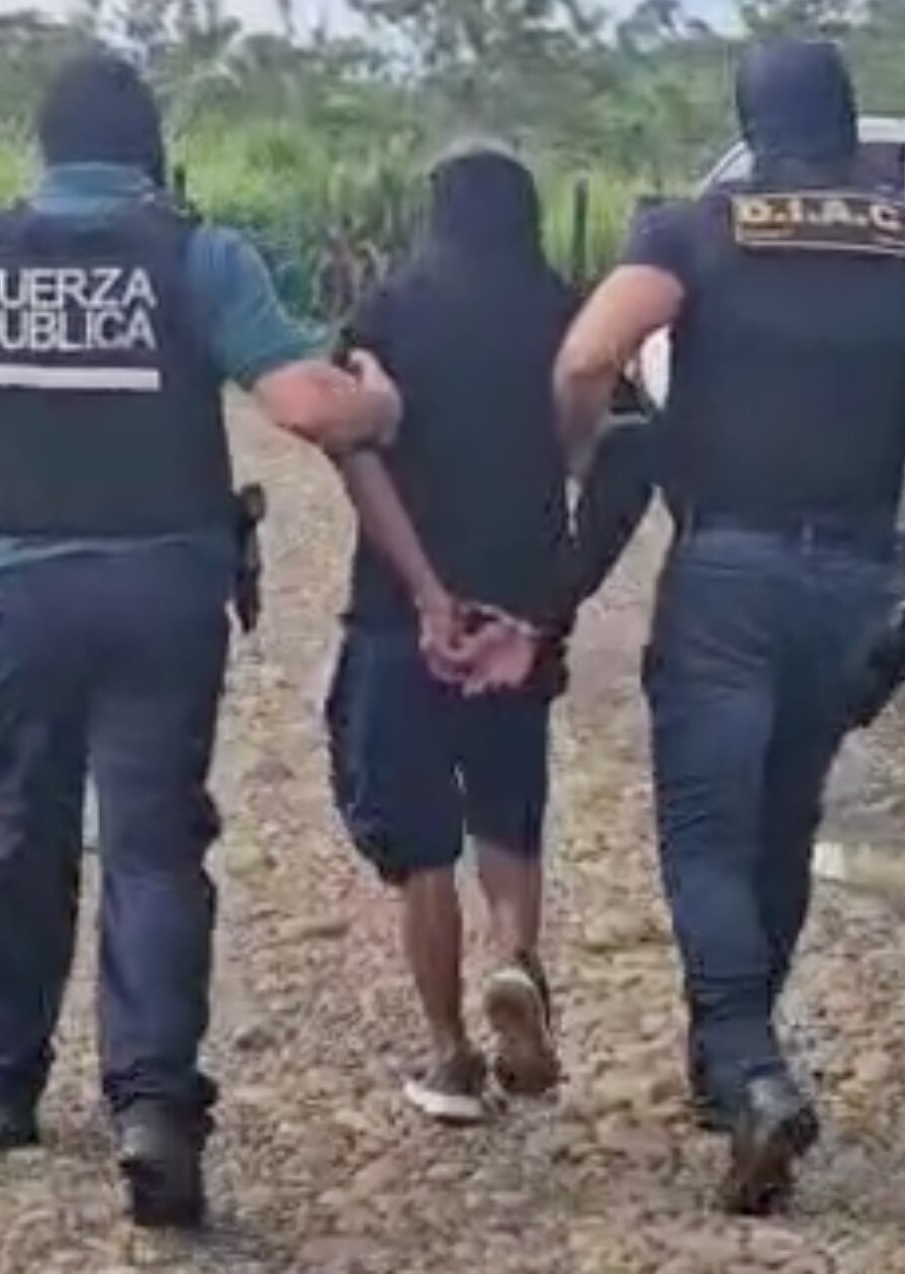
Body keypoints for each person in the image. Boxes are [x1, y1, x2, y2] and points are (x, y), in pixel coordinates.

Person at [0, 50, 402, 1230]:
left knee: (20, 829)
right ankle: (155, 1105)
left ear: (44, 153)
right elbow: (305, 406)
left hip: (24, 595)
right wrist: (382, 405)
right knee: (153, 849)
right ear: (149, 151)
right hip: (165, 593)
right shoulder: (196, 255)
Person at [554, 40, 905, 1217]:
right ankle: (735, 1060)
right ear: (851, 128)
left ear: (752, 122)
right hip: (852, 581)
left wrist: (575, 455)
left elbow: (587, 350)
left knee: (702, 829)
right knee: (780, 820)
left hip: (728, 567)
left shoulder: (694, 230)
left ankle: (745, 1067)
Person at [322, 143, 581, 1125]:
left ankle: (450, 1056)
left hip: (403, 612)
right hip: (519, 614)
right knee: (508, 815)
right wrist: (547, 599)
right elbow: (608, 440)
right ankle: (513, 960)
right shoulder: (566, 309)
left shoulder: (390, 308)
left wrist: (428, 592)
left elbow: (356, 439)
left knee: (422, 845)